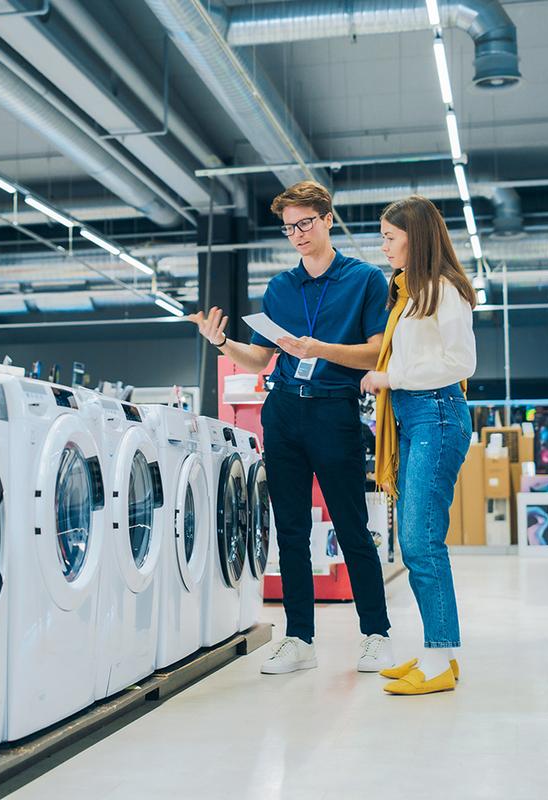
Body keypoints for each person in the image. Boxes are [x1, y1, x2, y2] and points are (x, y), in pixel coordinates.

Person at [190, 180, 394, 676]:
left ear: (327, 218)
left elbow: (375, 351)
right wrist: (221, 343)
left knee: (351, 526)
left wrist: (318, 349)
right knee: (291, 529)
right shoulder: (280, 287)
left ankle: (376, 635)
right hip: (282, 411)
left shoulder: (365, 279)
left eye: (305, 223)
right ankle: (300, 638)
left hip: (334, 411)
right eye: (289, 228)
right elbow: (261, 357)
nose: (298, 234)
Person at [360, 195, 477, 696]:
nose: (383, 245)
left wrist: (390, 376)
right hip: (416, 417)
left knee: (420, 541)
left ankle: (437, 658)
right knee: (418, 540)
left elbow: (462, 362)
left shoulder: (444, 291)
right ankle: (440, 655)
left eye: (390, 236)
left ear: (416, 237)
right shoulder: (412, 293)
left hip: (437, 414)